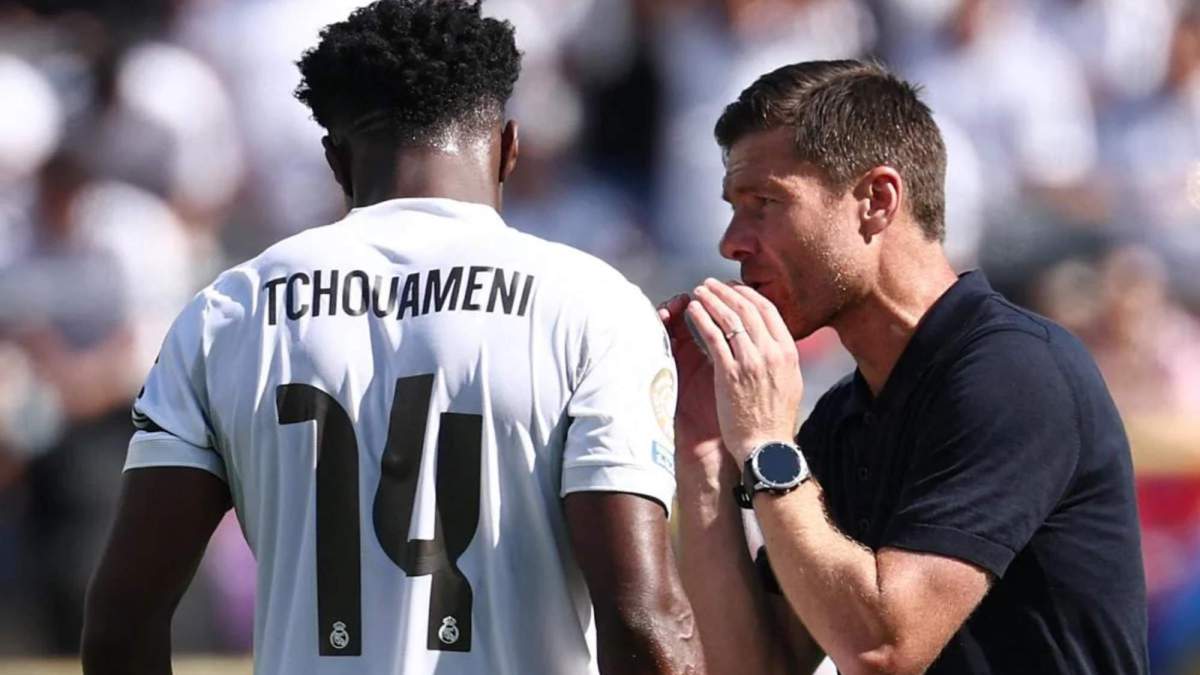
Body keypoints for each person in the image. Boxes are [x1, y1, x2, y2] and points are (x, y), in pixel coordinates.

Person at [81, 2, 703, 674]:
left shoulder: (225, 313)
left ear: (335, 161)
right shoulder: (593, 304)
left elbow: (122, 618)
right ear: (509, 147)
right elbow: (643, 618)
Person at [662, 59, 1147, 674]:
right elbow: (756, 669)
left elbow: (884, 650)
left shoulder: (1016, 372)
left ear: (877, 200)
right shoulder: (846, 415)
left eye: (764, 203)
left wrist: (766, 445)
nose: (731, 241)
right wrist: (704, 453)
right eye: (735, 207)